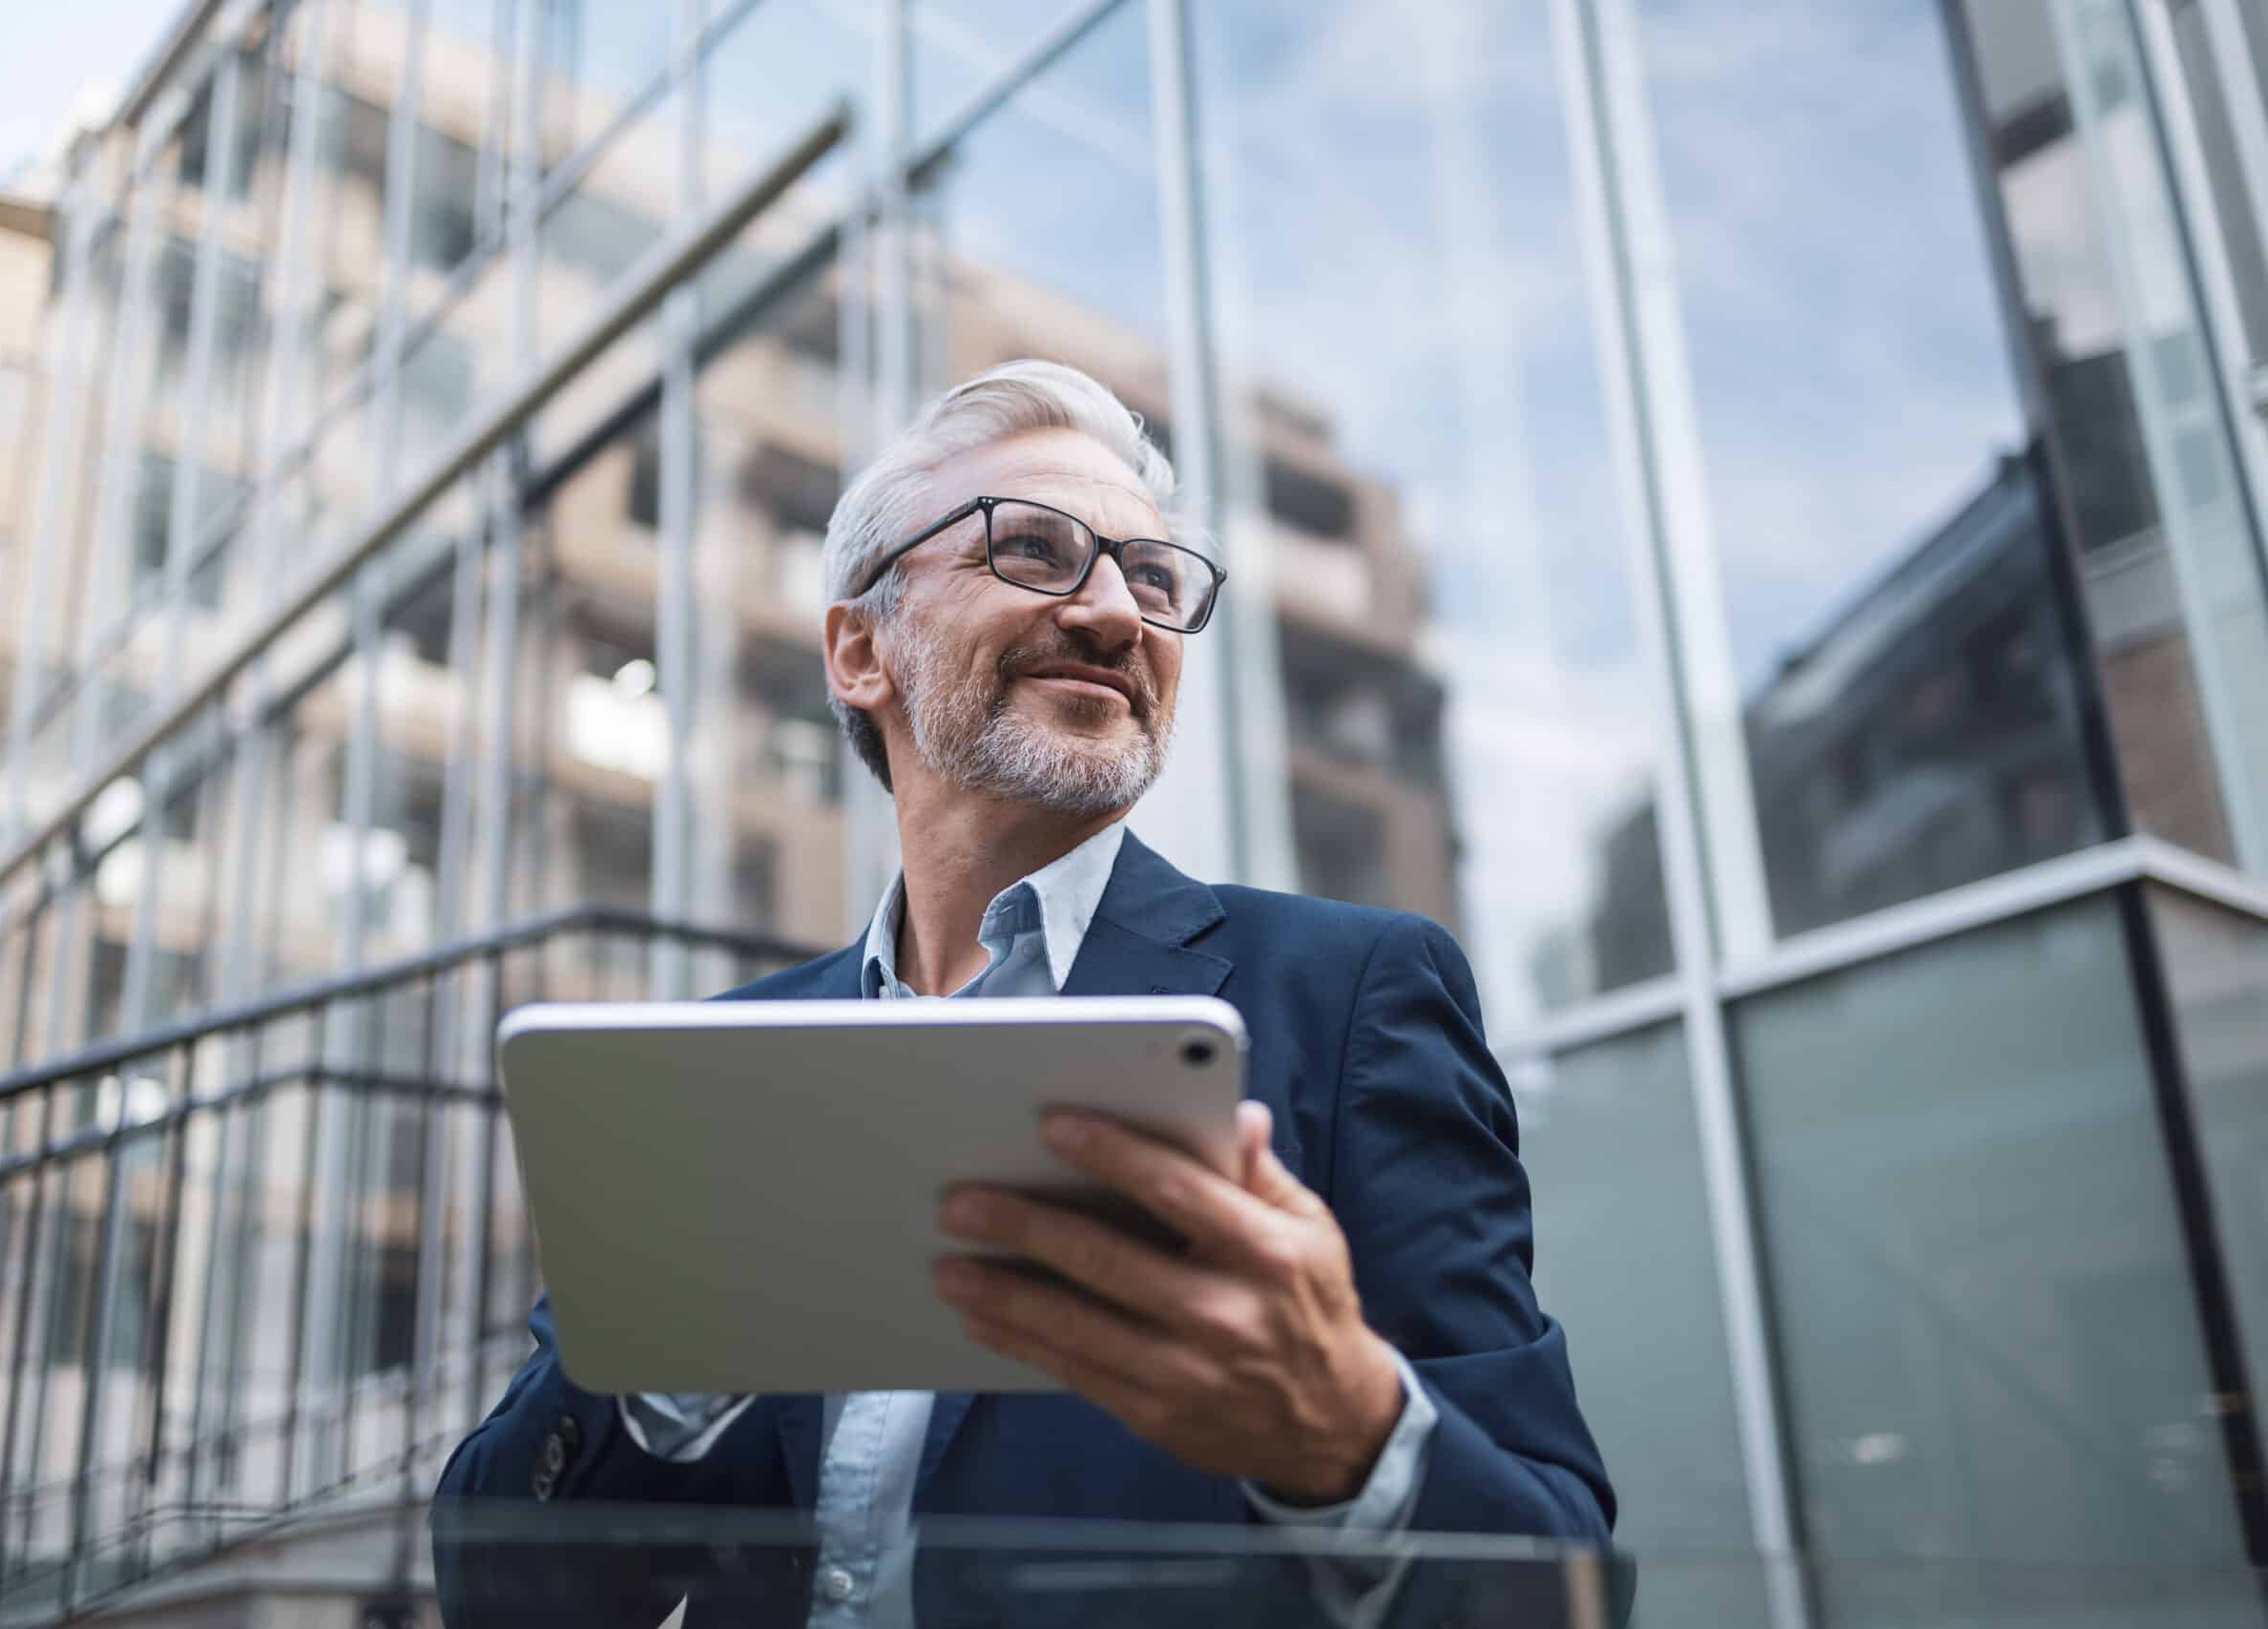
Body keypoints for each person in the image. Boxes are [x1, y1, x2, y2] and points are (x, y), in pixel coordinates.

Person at [432, 361, 1614, 1627]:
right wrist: (662, 1363)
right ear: (859, 648)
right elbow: (498, 1594)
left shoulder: (1352, 996)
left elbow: (1561, 1591)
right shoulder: (723, 1072)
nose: (1116, 612)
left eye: (1154, 578)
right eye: (1035, 550)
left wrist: (1351, 1440)